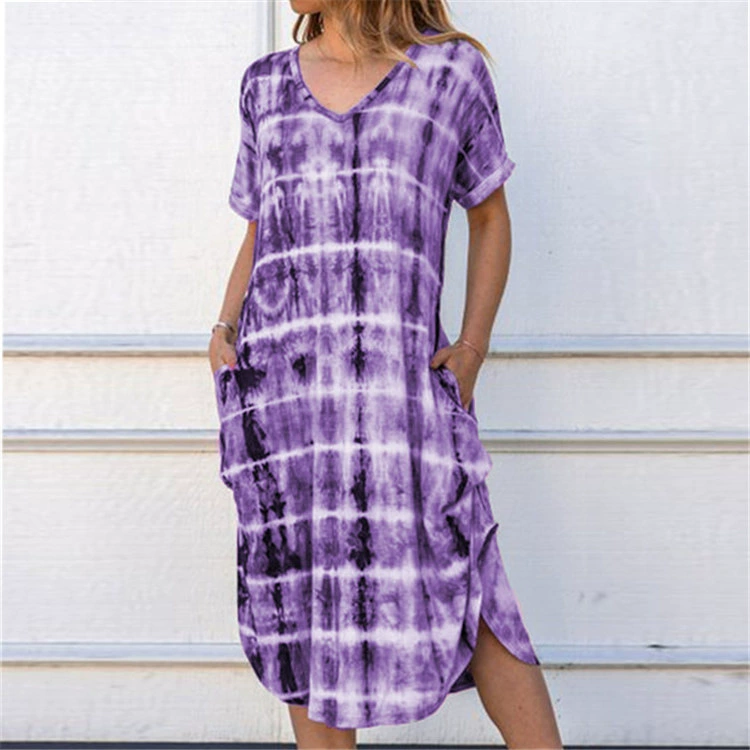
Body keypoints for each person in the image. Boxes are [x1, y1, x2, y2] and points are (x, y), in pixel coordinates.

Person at [208, 1, 564, 748]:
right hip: (286, 399)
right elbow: (259, 228)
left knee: (472, 584)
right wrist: (223, 330)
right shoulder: (264, 86)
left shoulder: (449, 74)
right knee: (305, 609)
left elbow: (490, 215)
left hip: (402, 398)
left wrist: (471, 348)